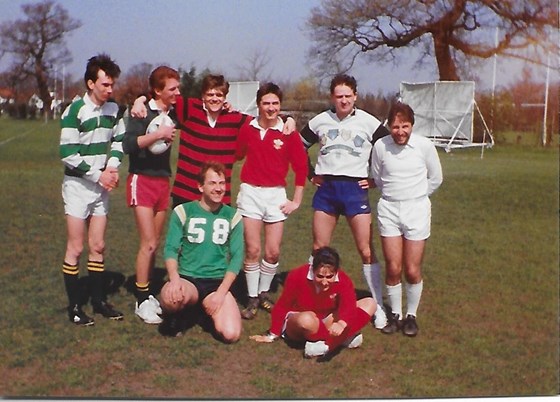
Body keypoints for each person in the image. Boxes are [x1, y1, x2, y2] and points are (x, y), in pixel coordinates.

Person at [299, 74, 390, 329]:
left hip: (354, 190)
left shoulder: (368, 122)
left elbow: (387, 148)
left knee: (366, 249)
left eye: (348, 96)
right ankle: (312, 301)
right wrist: (309, 174)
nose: (343, 100)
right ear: (332, 97)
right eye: (338, 96)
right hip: (327, 189)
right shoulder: (320, 120)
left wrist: (375, 178)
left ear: (355, 96)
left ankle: (378, 305)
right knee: (319, 247)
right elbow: (298, 144)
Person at [131, 74, 296, 207]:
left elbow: (265, 119)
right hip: (186, 192)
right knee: (185, 245)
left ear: (225, 97)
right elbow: (162, 94)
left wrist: (288, 119)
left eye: (219, 95)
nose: (214, 98)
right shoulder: (189, 108)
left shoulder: (235, 119)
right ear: (202, 96)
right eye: (210, 94)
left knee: (217, 247)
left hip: (220, 195)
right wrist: (141, 100)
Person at [59, 53, 124, 325]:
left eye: (112, 85)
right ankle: (75, 307)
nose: (110, 90)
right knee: (75, 247)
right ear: (90, 83)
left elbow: (119, 140)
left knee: (97, 245)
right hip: (77, 187)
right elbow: (67, 152)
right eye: (105, 85)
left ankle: (98, 302)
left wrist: (112, 167)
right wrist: (98, 175)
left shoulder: (114, 110)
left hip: (101, 187)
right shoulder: (75, 111)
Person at [234, 83, 308, 320]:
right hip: (251, 193)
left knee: (273, 252)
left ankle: (264, 292)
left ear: (280, 105)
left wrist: (296, 200)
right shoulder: (248, 128)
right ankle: (252, 297)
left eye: (275, 103)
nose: (271, 108)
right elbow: (236, 154)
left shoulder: (288, 132)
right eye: (266, 103)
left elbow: (300, 166)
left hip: (276, 195)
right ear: (258, 105)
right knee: (253, 249)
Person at [370, 101, 443, 337]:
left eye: (405, 126)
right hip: (389, 209)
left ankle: (411, 315)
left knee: (412, 269)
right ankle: (396, 315)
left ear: (412, 125)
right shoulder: (381, 146)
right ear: (388, 126)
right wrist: (396, 196)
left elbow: (436, 178)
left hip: (417, 210)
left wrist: (417, 196)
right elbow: (378, 178)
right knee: (393, 267)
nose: (400, 132)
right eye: (395, 126)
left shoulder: (424, 146)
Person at [159, 161, 244, 343]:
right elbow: (171, 249)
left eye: (222, 183)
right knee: (170, 297)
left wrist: (221, 293)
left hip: (216, 283)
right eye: (212, 183)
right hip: (187, 278)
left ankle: (202, 312)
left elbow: (237, 257)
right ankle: (181, 312)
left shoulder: (233, 216)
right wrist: (174, 280)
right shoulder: (183, 211)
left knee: (231, 334)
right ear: (200, 186)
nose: (219, 188)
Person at [122, 66, 180, 324]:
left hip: (161, 182)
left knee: (154, 242)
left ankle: (147, 294)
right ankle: (141, 299)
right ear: (158, 90)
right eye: (172, 89)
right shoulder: (141, 111)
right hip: (141, 180)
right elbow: (128, 145)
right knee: (147, 243)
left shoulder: (174, 110)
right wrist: (158, 133)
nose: (177, 92)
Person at [249, 246, 376, 359]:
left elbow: (348, 307)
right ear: (313, 270)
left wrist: (342, 324)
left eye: (329, 277)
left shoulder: (343, 280)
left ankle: (324, 345)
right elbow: (282, 306)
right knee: (307, 319)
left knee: (370, 303)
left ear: (336, 272)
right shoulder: (297, 276)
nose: (324, 282)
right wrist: (272, 334)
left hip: (326, 319)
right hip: (299, 321)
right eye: (320, 276)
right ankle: (341, 339)